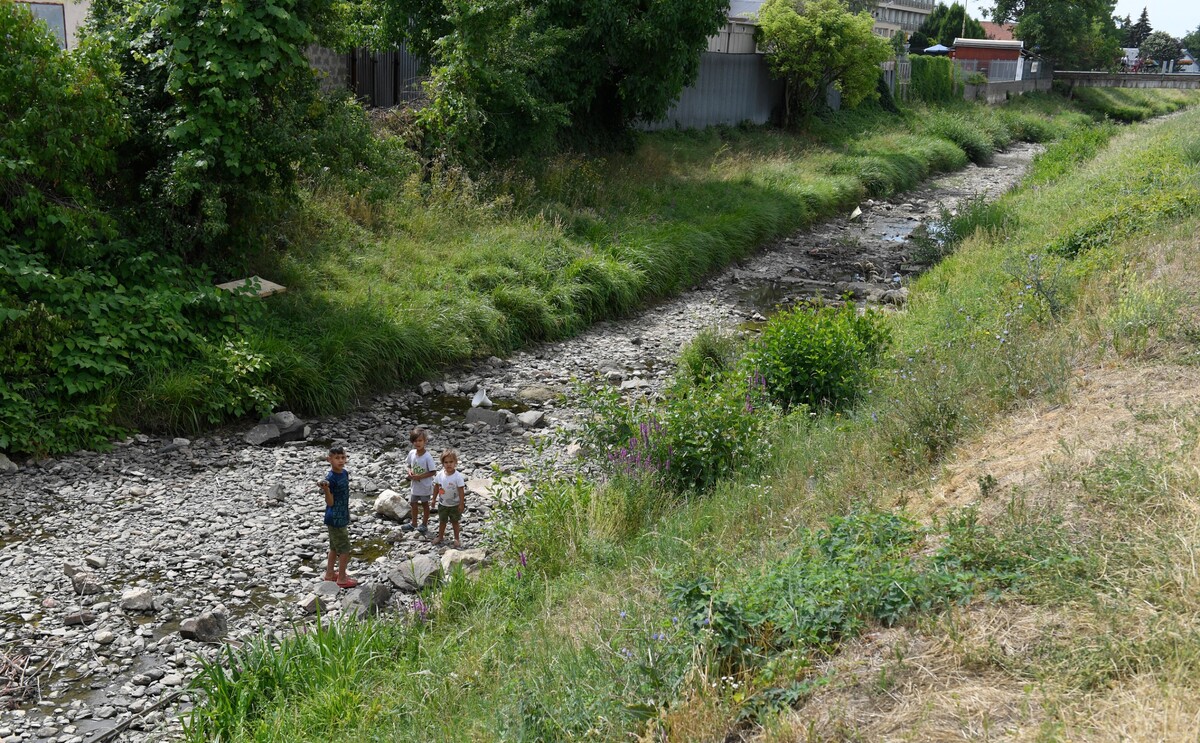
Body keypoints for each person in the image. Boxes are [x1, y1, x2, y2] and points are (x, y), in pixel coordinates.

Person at [318, 446, 357, 588]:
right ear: (329, 459)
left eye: (343, 457)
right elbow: (330, 502)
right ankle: (341, 578)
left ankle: (329, 574)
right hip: (335, 518)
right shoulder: (330, 479)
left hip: (342, 515)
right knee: (345, 548)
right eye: (337, 458)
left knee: (334, 547)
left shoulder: (344, 473)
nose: (341, 461)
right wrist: (326, 490)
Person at [403, 427, 437, 535]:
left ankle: (424, 524)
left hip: (425, 486)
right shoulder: (412, 453)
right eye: (415, 441)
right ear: (412, 442)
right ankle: (413, 523)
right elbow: (408, 464)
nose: (417, 443)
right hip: (415, 485)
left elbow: (433, 472)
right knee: (413, 503)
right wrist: (409, 472)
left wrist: (420, 476)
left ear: (425, 441)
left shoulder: (427, 457)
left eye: (420, 441)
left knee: (424, 504)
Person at [432, 448, 466, 548]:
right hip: (442, 504)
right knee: (442, 521)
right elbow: (436, 487)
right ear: (443, 463)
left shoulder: (457, 476)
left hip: (454, 505)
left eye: (451, 462)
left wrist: (461, 503)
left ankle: (456, 538)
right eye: (446, 462)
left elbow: (461, 490)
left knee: (455, 522)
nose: (448, 464)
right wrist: (434, 499)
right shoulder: (440, 475)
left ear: (455, 462)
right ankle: (440, 536)